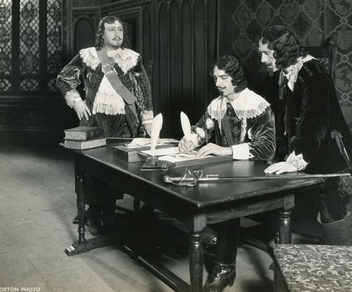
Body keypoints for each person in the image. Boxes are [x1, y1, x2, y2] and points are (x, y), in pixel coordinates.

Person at [178, 55, 276, 292]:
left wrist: (225, 150)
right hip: (229, 171)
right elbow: (203, 126)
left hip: (257, 173)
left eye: (223, 77)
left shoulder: (257, 105)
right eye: (215, 78)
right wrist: (191, 139)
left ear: (237, 78)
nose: (218, 83)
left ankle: (225, 268)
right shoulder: (217, 104)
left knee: (227, 203)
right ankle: (218, 240)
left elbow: (268, 148)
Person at [259, 25, 352, 246]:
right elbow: (289, 119)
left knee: (334, 212)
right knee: (334, 210)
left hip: (333, 156)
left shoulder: (312, 73)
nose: (262, 59)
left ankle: (342, 266)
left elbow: (314, 121)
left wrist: (296, 160)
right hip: (316, 153)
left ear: (281, 51)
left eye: (266, 53)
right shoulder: (288, 72)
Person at [56, 15, 154, 234]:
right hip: (95, 120)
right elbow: (63, 78)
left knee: (118, 168)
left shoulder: (132, 58)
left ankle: (109, 210)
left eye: (120, 30)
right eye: (112, 30)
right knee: (92, 169)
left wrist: (147, 120)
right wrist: (76, 101)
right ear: (102, 34)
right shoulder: (88, 56)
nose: (117, 34)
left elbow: (144, 91)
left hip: (124, 121)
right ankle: (93, 212)